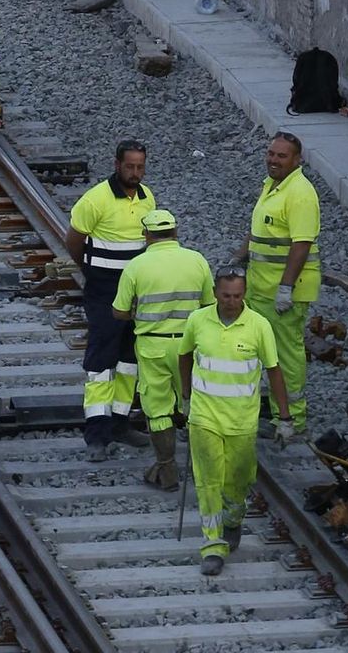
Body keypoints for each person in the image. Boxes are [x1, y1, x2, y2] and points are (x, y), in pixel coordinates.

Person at [178, 270, 289, 577]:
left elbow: (274, 371)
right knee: (208, 482)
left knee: (238, 479)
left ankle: (234, 518)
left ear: (245, 294)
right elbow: (184, 356)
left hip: (242, 421)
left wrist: (285, 417)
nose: (231, 302)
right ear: (216, 293)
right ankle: (212, 546)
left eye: (237, 296)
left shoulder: (259, 326)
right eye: (226, 296)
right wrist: (186, 396)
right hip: (204, 418)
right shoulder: (198, 321)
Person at [111, 208, 214, 489]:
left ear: (147, 236)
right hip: (189, 345)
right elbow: (209, 306)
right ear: (175, 232)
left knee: (157, 409)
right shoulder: (197, 260)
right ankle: (205, 469)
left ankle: (167, 470)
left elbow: (119, 312)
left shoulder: (136, 266)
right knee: (195, 404)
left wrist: (139, 312)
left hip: (152, 345)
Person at [66, 139, 156, 460]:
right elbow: (74, 241)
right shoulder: (96, 200)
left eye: (140, 167)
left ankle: (120, 423)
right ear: (117, 165)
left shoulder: (147, 199)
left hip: (137, 293)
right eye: (129, 166)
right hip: (105, 291)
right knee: (101, 362)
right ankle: (97, 435)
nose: (135, 173)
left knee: (130, 360)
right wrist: (90, 272)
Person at [242, 131, 320, 437]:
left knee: (285, 355)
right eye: (271, 154)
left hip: (283, 292)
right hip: (261, 288)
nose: (273, 160)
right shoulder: (273, 186)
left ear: (297, 160)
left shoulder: (300, 193)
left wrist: (286, 288)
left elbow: (301, 244)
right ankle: (274, 410)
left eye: (281, 156)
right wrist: (240, 255)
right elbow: (261, 231)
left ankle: (292, 419)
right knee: (263, 351)